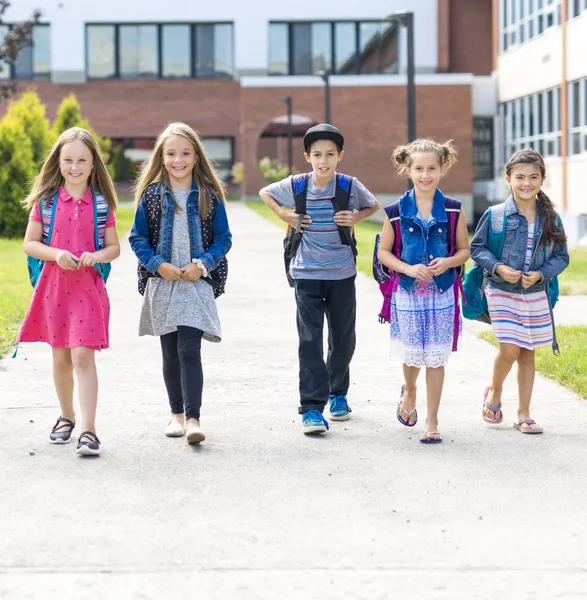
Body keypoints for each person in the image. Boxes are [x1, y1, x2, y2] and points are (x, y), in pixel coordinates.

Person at [259, 123, 380, 434]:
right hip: (306, 274)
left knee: (343, 340)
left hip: (342, 273)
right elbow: (265, 193)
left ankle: (338, 394)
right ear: (307, 157)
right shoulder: (297, 185)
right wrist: (284, 215)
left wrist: (355, 217)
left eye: (330, 154)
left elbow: (373, 205)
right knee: (310, 340)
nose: (323, 160)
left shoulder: (349, 186)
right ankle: (312, 408)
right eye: (317, 155)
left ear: (340, 156)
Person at [18, 127, 120, 456]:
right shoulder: (45, 203)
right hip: (54, 289)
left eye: (82, 160)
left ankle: (89, 431)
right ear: (58, 162)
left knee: (82, 356)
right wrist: (56, 253)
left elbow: (113, 248)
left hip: (88, 289)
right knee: (61, 357)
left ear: (93, 165)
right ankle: (67, 416)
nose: (74, 167)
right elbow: (30, 244)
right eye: (68, 160)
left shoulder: (102, 204)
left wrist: (96, 255)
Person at [129, 122, 232, 444]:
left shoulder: (209, 197)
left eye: (185, 153)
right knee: (170, 353)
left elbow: (223, 239)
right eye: (171, 153)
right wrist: (158, 265)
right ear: (161, 158)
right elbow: (137, 238)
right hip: (163, 284)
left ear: (196, 157)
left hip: (196, 283)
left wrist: (202, 265)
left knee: (190, 349)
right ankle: (175, 415)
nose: (178, 159)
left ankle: (193, 419)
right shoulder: (150, 196)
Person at [470, 148, 569, 434]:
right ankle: (495, 392)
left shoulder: (551, 218)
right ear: (508, 179)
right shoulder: (496, 215)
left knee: (527, 352)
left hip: (535, 293)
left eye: (534, 177)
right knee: (510, 348)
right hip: (501, 290)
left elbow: (561, 257)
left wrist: (541, 274)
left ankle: (524, 413)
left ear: (542, 179)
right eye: (520, 177)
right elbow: (477, 248)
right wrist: (499, 267)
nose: (527, 183)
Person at [377, 139, 470, 444]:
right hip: (408, 293)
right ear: (408, 169)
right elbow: (384, 253)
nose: (425, 174)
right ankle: (410, 390)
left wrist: (449, 262)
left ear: (442, 169)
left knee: (436, 358)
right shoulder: (394, 212)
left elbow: (464, 250)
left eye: (432, 168)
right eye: (419, 168)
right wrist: (406, 268)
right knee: (414, 355)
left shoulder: (455, 209)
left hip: (442, 293)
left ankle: (432, 420)